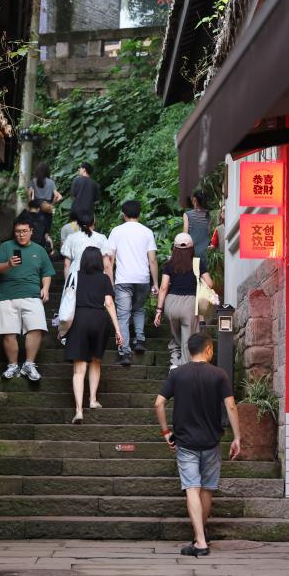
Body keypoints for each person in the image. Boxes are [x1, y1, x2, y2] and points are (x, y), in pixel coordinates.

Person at [154, 332, 241, 557]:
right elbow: (231, 406)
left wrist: (166, 432)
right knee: (207, 489)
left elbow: (159, 404)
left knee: (192, 487)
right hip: (212, 442)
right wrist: (237, 437)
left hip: (185, 443)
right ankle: (199, 537)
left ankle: (200, 540)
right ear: (209, 349)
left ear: (189, 351)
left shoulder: (177, 374)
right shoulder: (219, 374)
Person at [65, 246, 123, 424]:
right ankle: (92, 399)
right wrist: (118, 329)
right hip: (99, 320)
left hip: (79, 319)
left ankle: (79, 410)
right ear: (99, 261)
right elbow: (109, 303)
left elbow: (67, 299)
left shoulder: (75, 276)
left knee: (79, 368)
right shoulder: (104, 279)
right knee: (96, 360)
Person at [0, 218, 55, 382]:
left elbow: (46, 272)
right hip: (7, 295)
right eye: (18, 231)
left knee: (37, 327)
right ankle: (13, 365)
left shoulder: (39, 250)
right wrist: (8, 264)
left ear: (31, 232)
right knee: (8, 332)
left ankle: (28, 364)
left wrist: (45, 288)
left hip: (32, 295)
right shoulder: (6, 247)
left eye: (24, 231)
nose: (21, 235)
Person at [107, 200, 158, 367]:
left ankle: (125, 352)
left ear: (123, 214)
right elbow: (152, 260)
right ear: (139, 214)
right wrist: (155, 283)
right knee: (139, 309)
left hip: (123, 279)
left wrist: (110, 281)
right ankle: (140, 340)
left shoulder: (116, 231)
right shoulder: (147, 232)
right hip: (142, 278)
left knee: (123, 315)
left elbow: (110, 259)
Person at [155, 233, 214, 369]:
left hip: (171, 304)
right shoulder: (197, 263)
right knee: (188, 338)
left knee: (175, 337)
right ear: (191, 248)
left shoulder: (169, 264)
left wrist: (159, 310)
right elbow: (210, 284)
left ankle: (175, 363)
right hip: (189, 304)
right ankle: (185, 368)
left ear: (174, 248)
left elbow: (163, 288)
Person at [61, 212, 111, 278]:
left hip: (76, 276)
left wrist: (67, 282)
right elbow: (106, 265)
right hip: (97, 277)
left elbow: (66, 264)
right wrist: (111, 283)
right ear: (93, 222)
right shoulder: (101, 238)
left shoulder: (71, 238)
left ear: (78, 223)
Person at [27, 162, 62, 237]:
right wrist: (52, 204)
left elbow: (29, 193)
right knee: (46, 231)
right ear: (47, 171)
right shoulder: (51, 182)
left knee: (35, 229)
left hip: (36, 206)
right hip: (47, 207)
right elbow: (57, 196)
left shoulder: (33, 181)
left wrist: (31, 203)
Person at [183, 189, 211, 267]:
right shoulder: (208, 214)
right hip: (206, 253)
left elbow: (185, 235)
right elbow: (209, 232)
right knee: (205, 272)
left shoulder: (187, 215)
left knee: (195, 273)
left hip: (192, 252)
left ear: (194, 200)